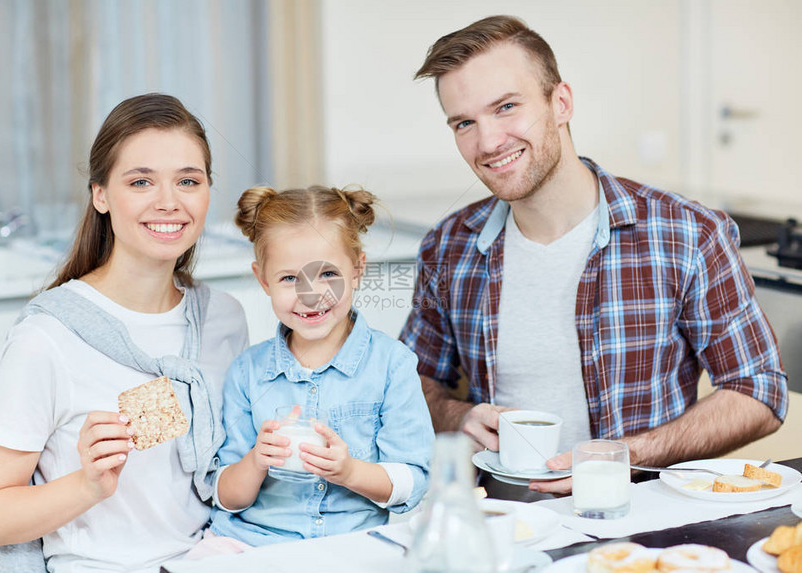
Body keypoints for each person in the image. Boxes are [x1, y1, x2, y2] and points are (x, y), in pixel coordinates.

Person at [399, 15, 787, 494]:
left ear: (561, 102)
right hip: (502, 520)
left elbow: (759, 392)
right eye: (464, 123)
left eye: (506, 107)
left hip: (637, 524)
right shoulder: (448, 246)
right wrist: (456, 417)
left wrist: (629, 456)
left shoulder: (687, 234)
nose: (487, 142)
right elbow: (409, 383)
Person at [0, 93, 248, 571]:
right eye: (141, 182)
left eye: (188, 181)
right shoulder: (48, 336)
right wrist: (86, 485)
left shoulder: (224, 318)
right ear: (100, 195)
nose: (168, 202)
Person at [208, 185, 434, 547]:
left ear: (358, 269)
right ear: (263, 279)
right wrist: (255, 461)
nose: (310, 294)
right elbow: (224, 494)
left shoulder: (392, 365)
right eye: (289, 278)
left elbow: (412, 482)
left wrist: (349, 472)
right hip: (250, 542)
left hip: (349, 544)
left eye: (328, 274)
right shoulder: (247, 372)